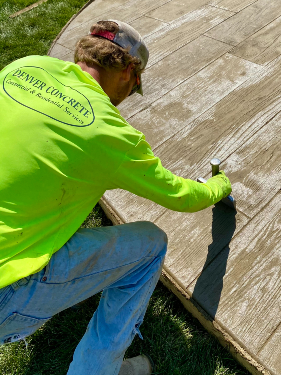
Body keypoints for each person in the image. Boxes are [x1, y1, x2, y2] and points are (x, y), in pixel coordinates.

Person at [0, 20, 231, 374]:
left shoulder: (21, 69)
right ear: (128, 73)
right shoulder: (110, 134)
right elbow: (183, 196)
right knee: (150, 245)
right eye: (134, 86)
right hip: (6, 291)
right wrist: (220, 186)